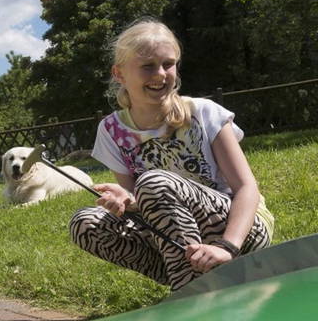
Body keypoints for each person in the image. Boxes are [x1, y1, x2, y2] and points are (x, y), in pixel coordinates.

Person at [69, 18, 274, 291]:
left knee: (153, 182)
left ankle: (193, 293)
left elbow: (246, 188)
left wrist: (228, 246)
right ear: (119, 74)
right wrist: (127, 201)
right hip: (176, 242)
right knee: (86, 223)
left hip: (239, 232)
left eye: (168, 64)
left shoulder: (203, 113)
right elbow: (142, 205)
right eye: (147, 66)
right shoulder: (111, 130)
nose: (160, 74)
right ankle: (193, 279)